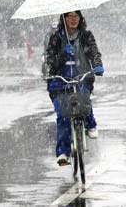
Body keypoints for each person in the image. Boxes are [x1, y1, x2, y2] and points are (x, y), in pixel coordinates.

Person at [45, 10, 104, 166]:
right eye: (69, 16)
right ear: (63, 18)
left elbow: (94, 53)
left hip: (81, 78)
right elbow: (50, 63)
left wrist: (97, 66)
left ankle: (90, 123)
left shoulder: (86, 36)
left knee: (84, 100)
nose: (73, 19)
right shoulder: (56, 38)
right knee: (62, 115)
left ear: (80, 18)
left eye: (76, 16)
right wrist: (62, 55)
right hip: (60, 81)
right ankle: (63, 153)